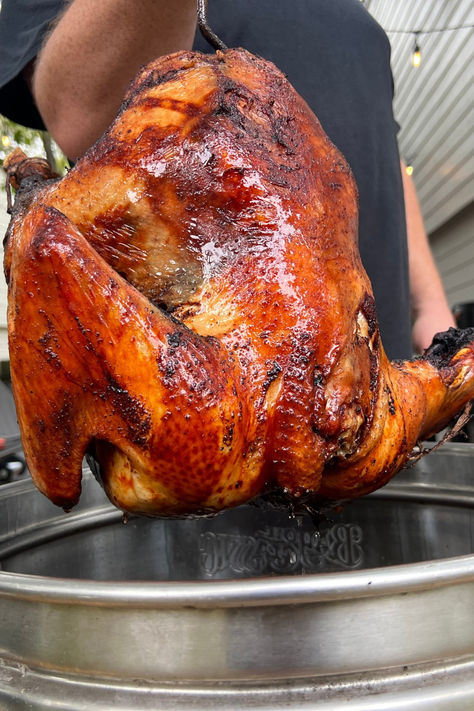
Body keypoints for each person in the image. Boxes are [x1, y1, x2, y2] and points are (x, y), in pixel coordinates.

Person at [0, 0, 455, 360]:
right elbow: (81, 113)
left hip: (377, 354)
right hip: (223, 394)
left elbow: (382, 150)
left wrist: (429, 301)